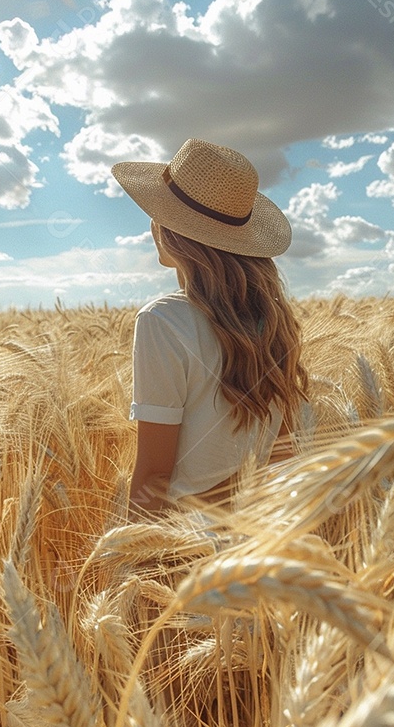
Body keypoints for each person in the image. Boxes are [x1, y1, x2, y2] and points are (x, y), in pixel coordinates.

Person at [111, 138, 310, 519]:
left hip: (187, 551)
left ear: (170, 230)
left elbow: (154, 475)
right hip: (256, 538)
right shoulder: (276, 320)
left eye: (157, 213)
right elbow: (283, 455)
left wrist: (131, 563)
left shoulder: (161, 322)